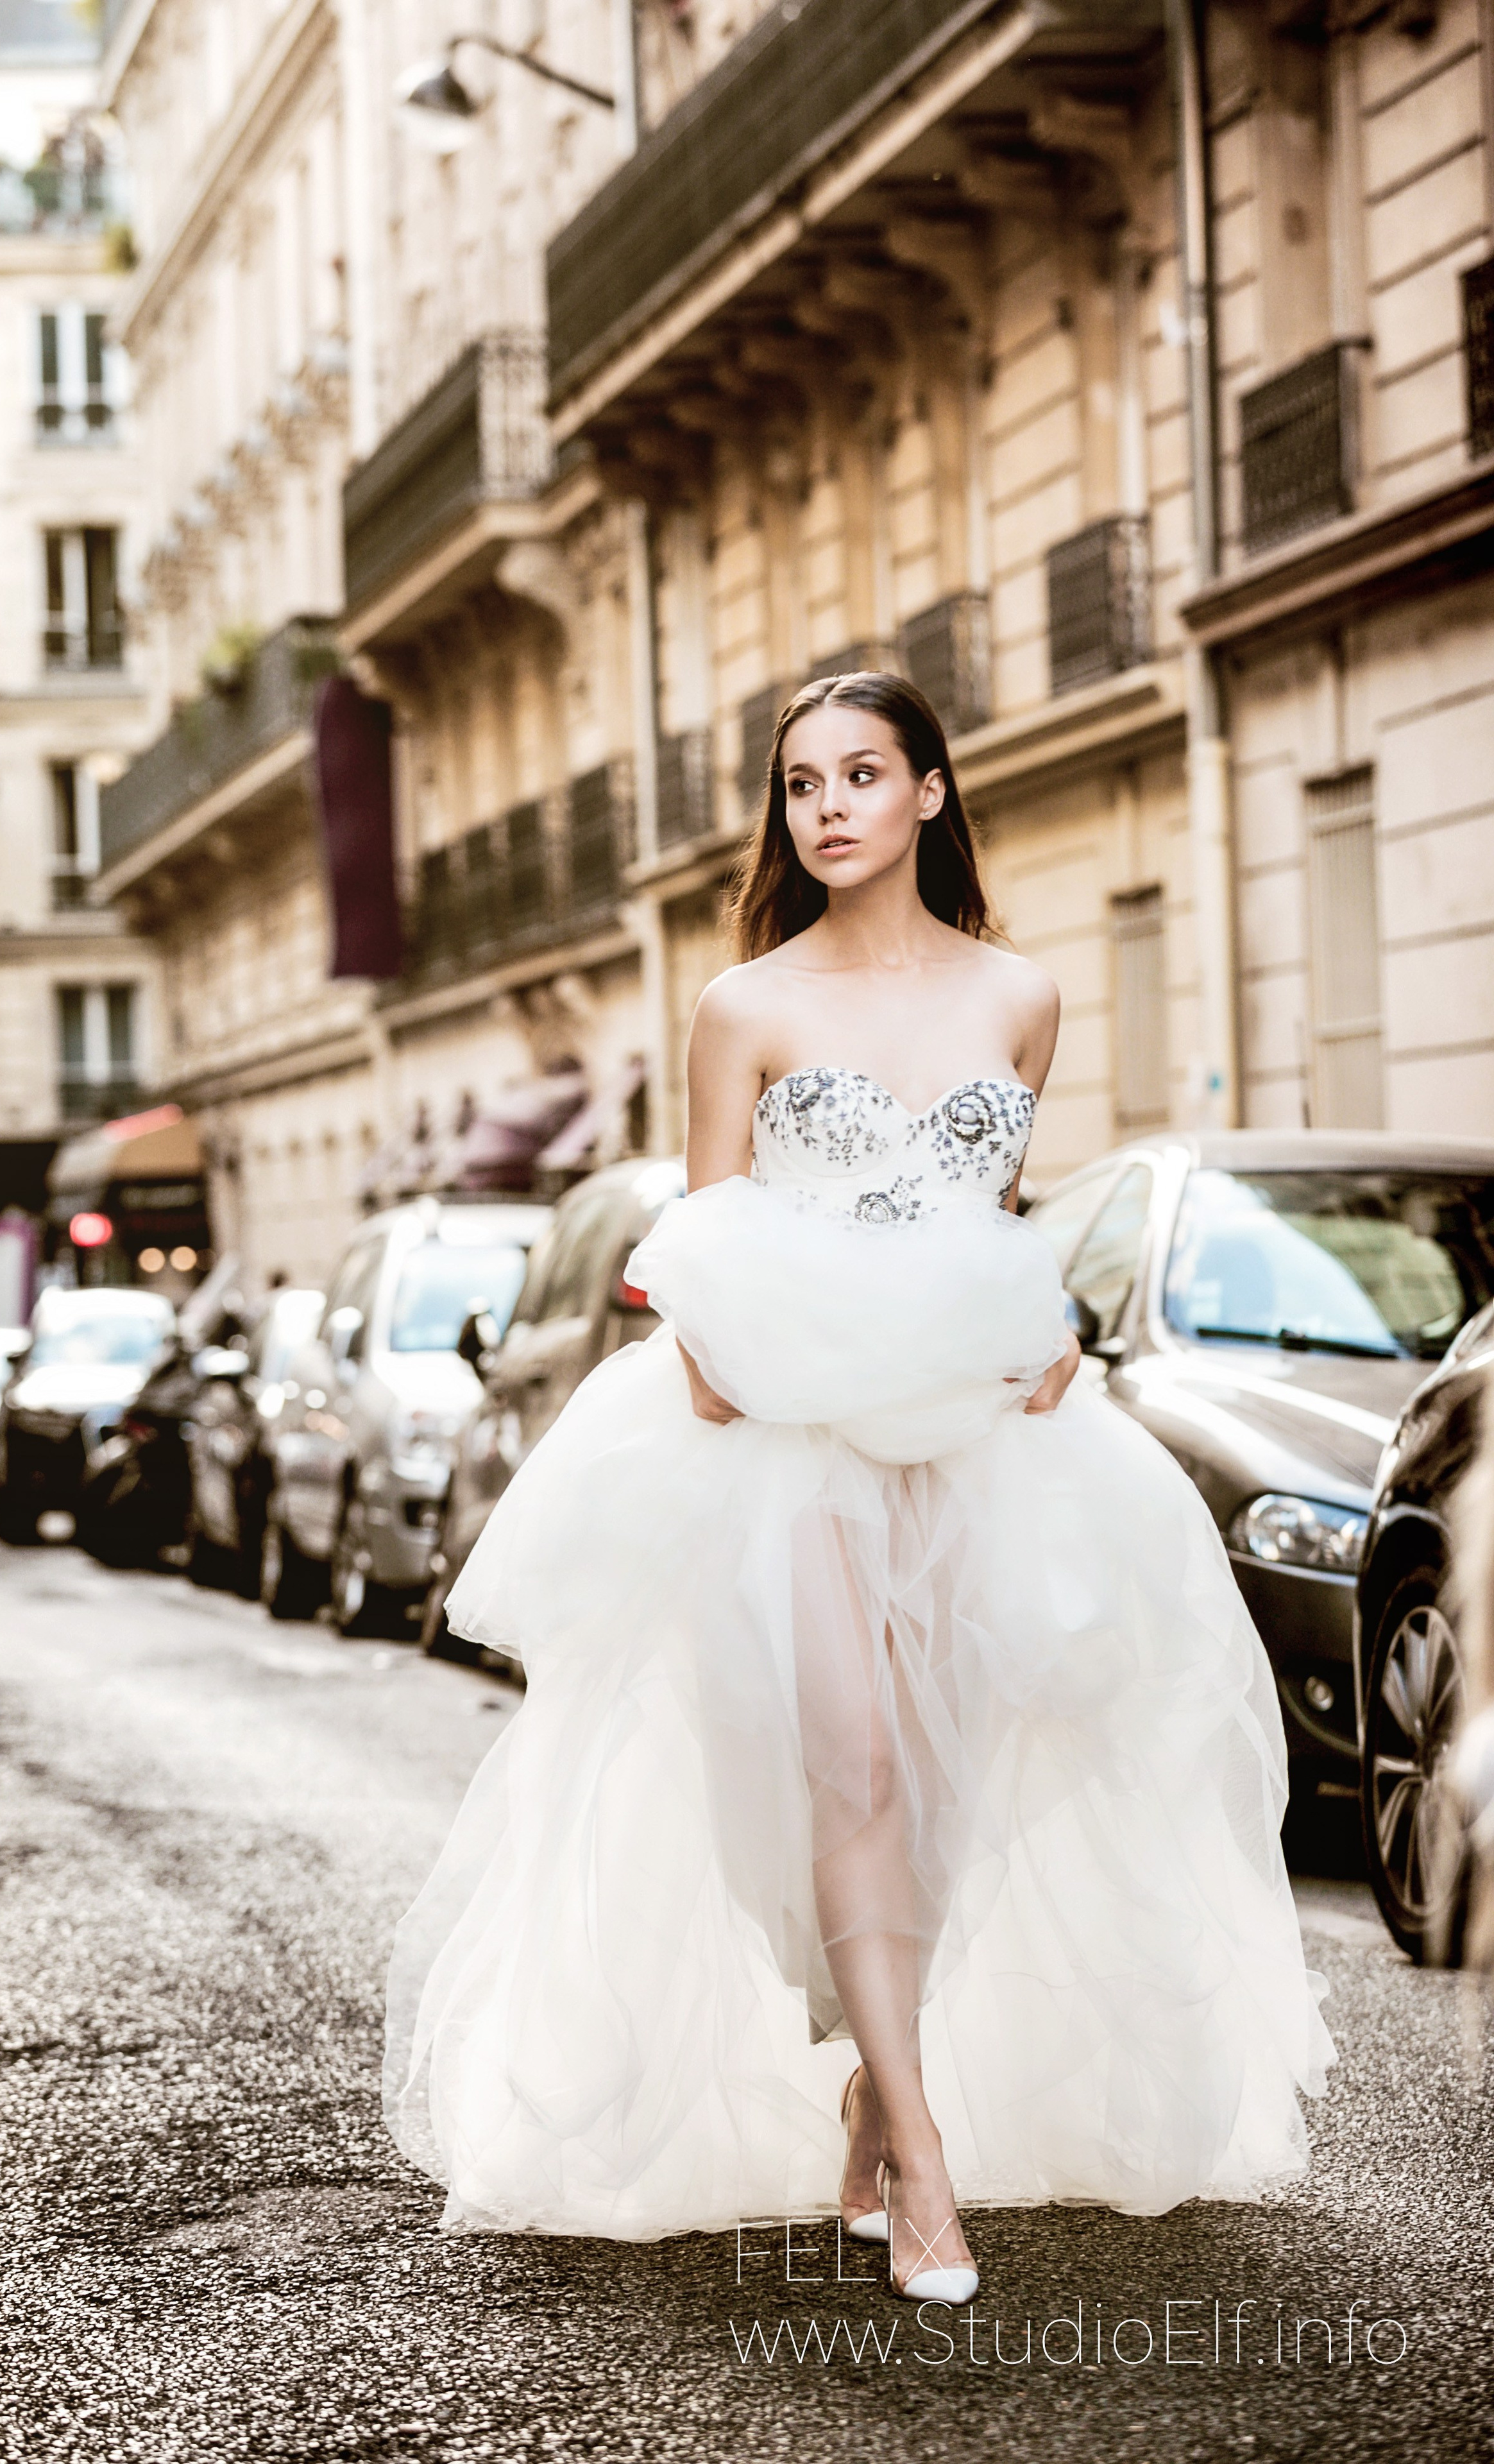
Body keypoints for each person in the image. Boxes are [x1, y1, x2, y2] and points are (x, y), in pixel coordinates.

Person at [384, 671, 1334, 2302]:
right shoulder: (741, 1008)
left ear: (930, 795)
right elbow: (699, 1260)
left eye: (860, 775)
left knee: (955, 1782)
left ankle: (863, 2094)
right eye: (801, 784)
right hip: (781, 1452)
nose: (826, 807)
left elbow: (984, 1225)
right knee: (855, 1767)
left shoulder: (1021, 999)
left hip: (985, 1449)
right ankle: (924, 2156)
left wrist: (1045, 1336)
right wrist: (744, 1367)